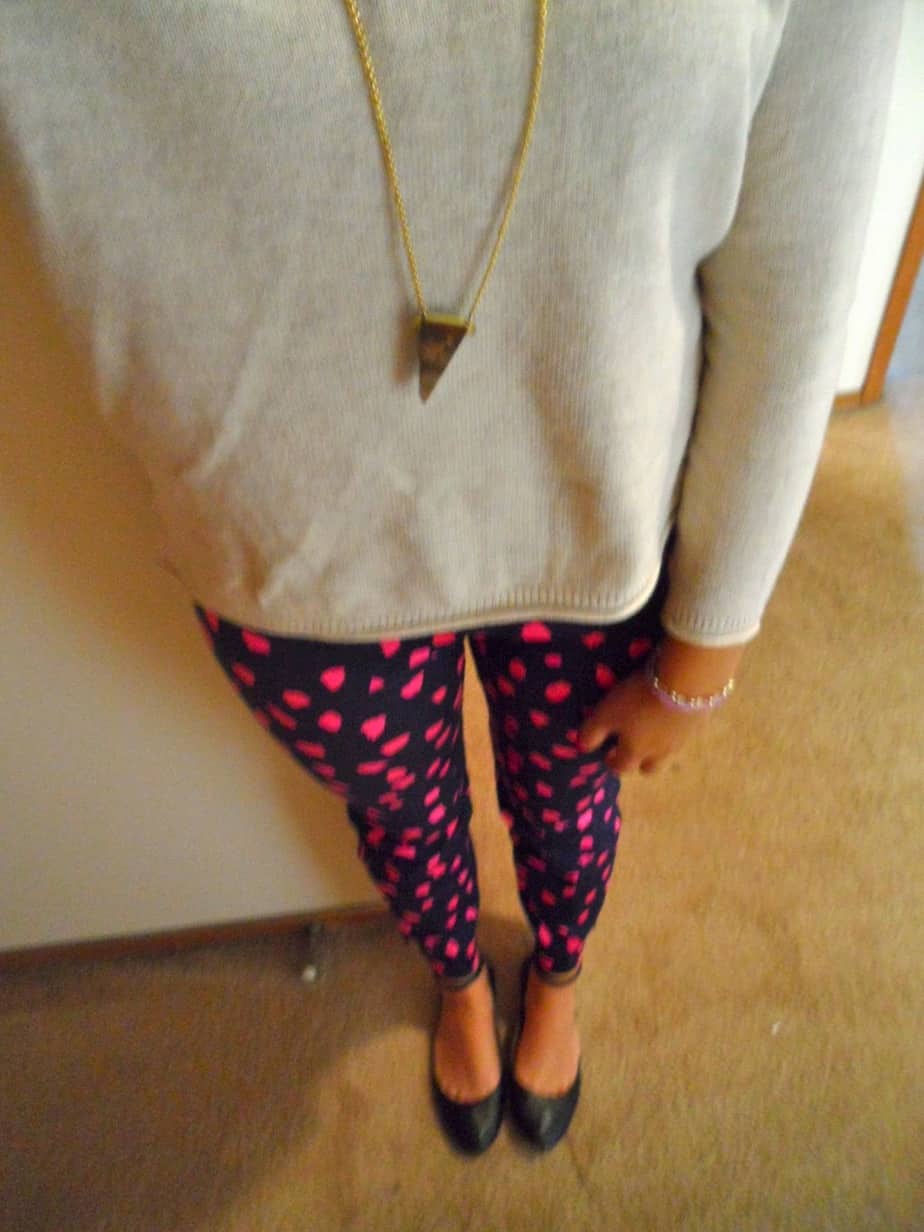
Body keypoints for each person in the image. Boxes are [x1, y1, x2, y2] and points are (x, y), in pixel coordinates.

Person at [0, 1, 902, 1155]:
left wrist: (711, 637)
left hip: (592, 527)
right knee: (405, 817)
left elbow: (796, 277)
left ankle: (558, 975)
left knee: (571, 800)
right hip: (290, 554)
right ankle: (461, 978)